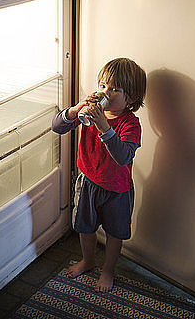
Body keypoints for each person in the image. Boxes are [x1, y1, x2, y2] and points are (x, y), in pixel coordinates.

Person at [51, 57, 146, 292]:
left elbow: (123, 156)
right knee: (85, 227)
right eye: (103, 86)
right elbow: (57, 126)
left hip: (117, 188)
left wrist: (104, 126)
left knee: (115, 233)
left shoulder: (130, 123)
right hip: (88, 182)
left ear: (131, 98)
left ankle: (108, 270)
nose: (106, 92)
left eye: (114, 89)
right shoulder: (90, 112)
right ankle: (88, 260)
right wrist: (76, 109)